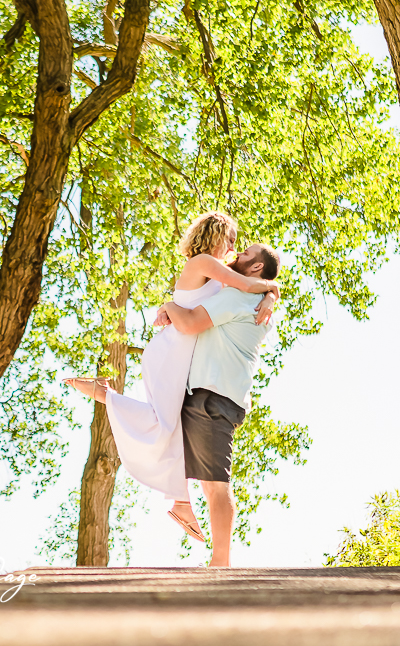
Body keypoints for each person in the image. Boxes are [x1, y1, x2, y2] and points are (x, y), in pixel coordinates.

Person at [64, 212, 277, 542]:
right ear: (215, 235)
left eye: (240, 246)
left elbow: (243, 290)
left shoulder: (220, 276)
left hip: (186, 353)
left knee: (172, 426)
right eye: (232, 239)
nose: (235, 247)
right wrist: (272, 289)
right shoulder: (203, 262)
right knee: (163, 424)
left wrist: (270, 296)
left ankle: (180, 501)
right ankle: (107, 397)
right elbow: (248, 284)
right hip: (173, 350)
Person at [156, 242, 280, 566]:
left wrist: (169, 305)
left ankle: (221, 563)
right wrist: (272, 290)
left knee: (215, 484)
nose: (236, 255)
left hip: (212, 397)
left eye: (245, 255)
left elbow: (190, 323)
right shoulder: (252, 300)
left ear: (255, 269)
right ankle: (185, 510)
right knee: (204, 478)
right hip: (217, 395)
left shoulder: (239, 298)